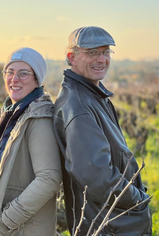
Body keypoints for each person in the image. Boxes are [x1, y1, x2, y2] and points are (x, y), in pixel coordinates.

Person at [53, 26, 152, 236]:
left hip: (113, 220)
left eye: (106, 52)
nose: (101, 59)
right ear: (72, 57)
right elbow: (97, 176)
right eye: (92, 53)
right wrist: (137, 199)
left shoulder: (91, 95)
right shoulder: (78, 104)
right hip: (109, 225)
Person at [0, 47, 62, 236]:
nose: (14, 79)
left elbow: (49, 178)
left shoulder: (38, 118)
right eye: (10, 72)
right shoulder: (13, 114)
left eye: (23, 73)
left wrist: (6, 221)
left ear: (37, 79)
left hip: (17, 228)